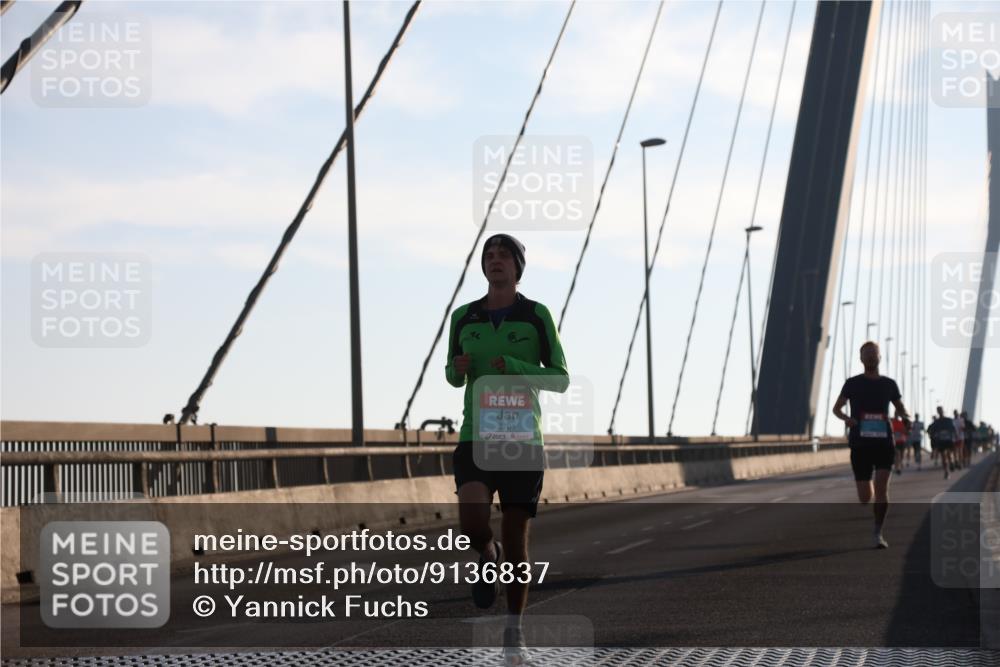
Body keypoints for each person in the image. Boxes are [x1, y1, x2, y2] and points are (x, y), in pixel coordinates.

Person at [446, 233, 569, 666]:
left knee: (517, 540)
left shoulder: (536, 316)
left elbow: (560, 378)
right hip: (475, 436)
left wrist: (517, 367)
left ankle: (513, 630)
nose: (495, 261)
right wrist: (456, 369)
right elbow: (452, 376)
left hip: (521, 441)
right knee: (473, 523)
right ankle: (486, 553)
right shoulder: (464, 316)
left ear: (518, 267)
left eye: (504, 256)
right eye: (489, 256)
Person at [833, 341, 910, 549]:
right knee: (866, 497)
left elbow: (900, 406)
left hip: (884, 442)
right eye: (866, 354)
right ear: (861, 359)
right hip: (860, 444)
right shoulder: (852, 383)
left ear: (879, 358)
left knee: (882, 488)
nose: (870, 357)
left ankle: (878, 532)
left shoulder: (889, 384)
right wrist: (846, 418)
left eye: (873, 354)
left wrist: (906, 417)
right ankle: (872, 499)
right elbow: (836, 409)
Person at [927, 406, 958, 480]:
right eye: (938, 410)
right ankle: (946, 472)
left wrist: (955, 435)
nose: (940, 412)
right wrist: (932, 435)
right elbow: (930, 430)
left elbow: (953, 429)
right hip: (940, 441)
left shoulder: (949, 420)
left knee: (949, 454)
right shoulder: (936, 422)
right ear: (937, 412)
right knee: (943, 456)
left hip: (948, 440)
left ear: (943, 411)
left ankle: (951, 463)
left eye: (941, 410)